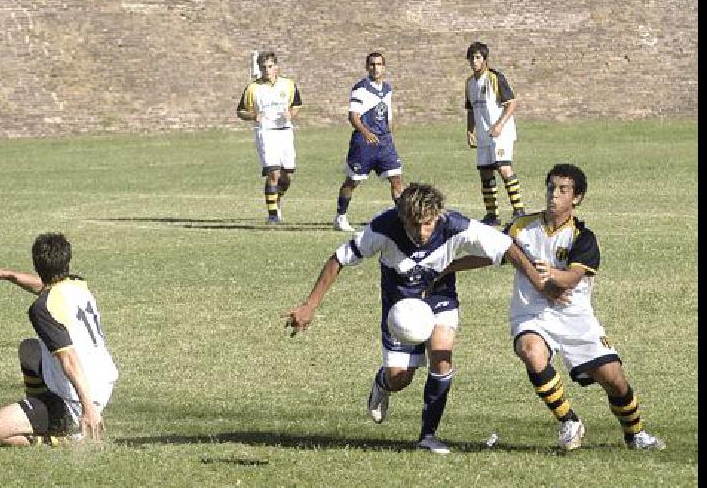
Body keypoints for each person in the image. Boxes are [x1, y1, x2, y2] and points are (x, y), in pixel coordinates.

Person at [283, 182, 558, 454]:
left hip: (440, 298)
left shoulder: (455, 225)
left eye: (428, 224)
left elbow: (507, 246)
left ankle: (428, 435)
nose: (422, 232)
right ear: (402, 217)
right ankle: (383, 383)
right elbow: (338, 259)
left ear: (437, 216)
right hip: (399, 308)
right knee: (400, 378)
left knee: (442, 357)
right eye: (414, 225)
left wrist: (538, 282)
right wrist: (310, 305)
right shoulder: (383, 227)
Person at [437, 164, 667, 451]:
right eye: (551, 188)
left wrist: (550, 275)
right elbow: (491, 253)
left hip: (576, 319)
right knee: (530, 352)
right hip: (532, 314)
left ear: (576, 198)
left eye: (563, 190)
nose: (553, 195)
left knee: (615, 381)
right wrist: (447, 267)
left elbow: (572, 278)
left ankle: (636, 435)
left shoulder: (583, 237)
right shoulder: (522, 227)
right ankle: (569, 421)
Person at [0, 232, 119, 447]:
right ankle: (43, 410)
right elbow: (43, 287)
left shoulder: (42, 309)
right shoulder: (78, 285)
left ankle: (62, 434)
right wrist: (6, 274)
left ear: (36, 264)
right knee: (29, 349)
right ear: (67, 260)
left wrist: (88, 409)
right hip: (103, 382)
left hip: (79, 398)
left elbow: (68, 359)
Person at [332, 52, 404, 232]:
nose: (375, 68)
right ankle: (340, 217)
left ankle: (403, 218)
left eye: (379, 64)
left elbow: (388, 115)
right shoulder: (360, 88)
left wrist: (390, 135)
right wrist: (366, 132)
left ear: (384, 67)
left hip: (385, 143)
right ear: (366, 67)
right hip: (364, 145)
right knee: (353, 181)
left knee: (396, 180)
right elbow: (353, 116)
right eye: (372, 64)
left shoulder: (387, 89)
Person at [236, 51, 303, 224]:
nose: (267, 70)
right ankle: (272, 216)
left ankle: (276, 199)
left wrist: (291, 113)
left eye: (270, 66)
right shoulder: (253, 88)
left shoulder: (288, 85)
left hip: (285, 131)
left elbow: (296, 105)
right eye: (264, 67)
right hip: (265, 133)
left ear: (276, 67)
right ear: (259, 68)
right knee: (273, 173)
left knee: (288, 175)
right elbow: (240, 111)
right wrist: (253, 116)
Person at [464, 41, 527, 227]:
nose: (474, 61)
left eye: (478, 58)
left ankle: (519, 210)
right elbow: (470, 109)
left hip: (501, 133)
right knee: (485, 172)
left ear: (485, 59)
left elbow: (512, 103)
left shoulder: (495, 78)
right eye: (472, 58)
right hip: (484, 135)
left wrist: (499, 125)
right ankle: (492, 215)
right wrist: (469, 131)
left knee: (504, 168)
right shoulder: (469, 83)